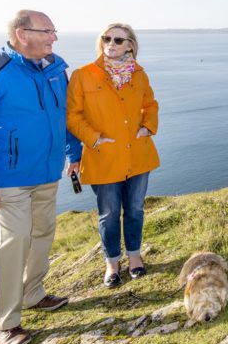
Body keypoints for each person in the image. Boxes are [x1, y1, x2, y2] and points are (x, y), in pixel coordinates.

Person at [0, 10, 82, 344]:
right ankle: (5, 322)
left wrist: (74, 153)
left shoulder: (56, 70)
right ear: (22, 33)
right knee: (10, 243)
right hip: (8, 177)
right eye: (48, 31)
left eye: (54, 31)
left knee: (42, 233)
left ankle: (33, 294)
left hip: (46, 172)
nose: (54, 38)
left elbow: (65, 118)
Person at [66, 23, 159, 288]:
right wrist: (94, 137)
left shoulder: (139, 74)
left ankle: (134, 256)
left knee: (135, 210)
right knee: (108, 213)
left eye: (119, 40)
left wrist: (147, 126)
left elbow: (150, 104)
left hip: (138, 156)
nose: (112, 43)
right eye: (107, 38)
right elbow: (72, 116)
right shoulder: (83, 75)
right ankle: (112, 263)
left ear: (130, 44)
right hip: (103, 156)